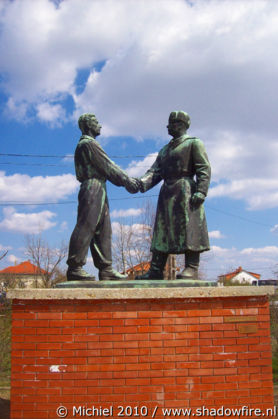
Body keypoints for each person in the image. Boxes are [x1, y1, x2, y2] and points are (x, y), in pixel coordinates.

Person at [136, 111, 211, 280]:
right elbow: (155, 172)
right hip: (167, 192)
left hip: (186, 191)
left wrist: (201, 190)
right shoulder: (165, 150)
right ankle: (156, 269)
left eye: (172, 123)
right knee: (162, 231)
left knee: (189, 228)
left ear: (182, 125)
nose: (168, 126)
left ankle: (191, 266)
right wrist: (140, 184)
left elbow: (204, 168)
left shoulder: (194, 143)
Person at [67, 113, 140, 281]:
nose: (99, 125)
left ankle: (106, 268)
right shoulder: (88, 144)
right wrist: (127, 181)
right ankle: (74, 267)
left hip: (100, 187)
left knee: (104, 230)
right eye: (96, 122)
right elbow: (108, 166)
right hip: (92, 186)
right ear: (88, 125)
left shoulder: (89, 144)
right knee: (86, 226)